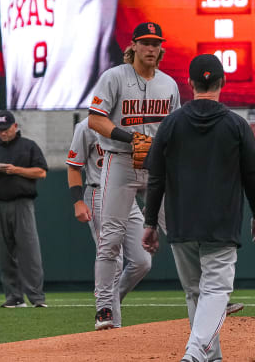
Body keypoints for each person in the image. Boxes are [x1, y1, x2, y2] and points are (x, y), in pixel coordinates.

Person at [141, 54, 255, 362]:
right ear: (222, 82)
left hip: (181, 221)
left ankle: (212, 356)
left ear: (190, 83)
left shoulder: (170, 124)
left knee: (195, 292)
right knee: (215, 291)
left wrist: (150, 223)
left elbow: (155, 177)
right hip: (221, 222)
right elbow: (252, 175)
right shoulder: (237, 125)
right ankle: (195, 353)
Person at [88, 21, 180, 330]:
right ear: (134, 45)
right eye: (146, 43)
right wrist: (131, 138)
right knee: (110, 237)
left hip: (157, 165)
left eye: (156, 43)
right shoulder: (114, 77)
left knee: (181, 231)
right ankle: (103, 308)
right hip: (121, 160)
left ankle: (206, 295)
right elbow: (95, 120)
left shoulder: (169, 84)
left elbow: (174, 128)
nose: (151, 48)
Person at [66, 117, 151, 328]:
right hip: (97, 192)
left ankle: (112, 301)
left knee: (143, 261)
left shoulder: (129, 125)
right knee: (114, 258)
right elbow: (74, 166)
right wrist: (77, 202)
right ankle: (109, 318)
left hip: (126, 193)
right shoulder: (86, 126)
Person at [0, 110, 48, 308]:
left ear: (15, 126)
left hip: (22, 203)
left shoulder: (28, 146)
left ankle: (36, 298)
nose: (2, 133)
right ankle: (14, 297)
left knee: (29, 251)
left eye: (6, 129)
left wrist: (16, 170)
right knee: (4, 253)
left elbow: (41, 172)